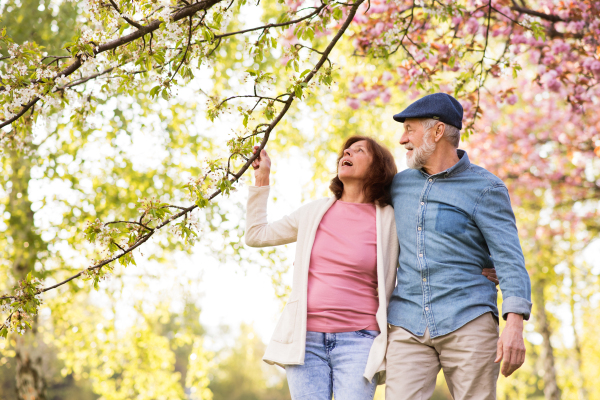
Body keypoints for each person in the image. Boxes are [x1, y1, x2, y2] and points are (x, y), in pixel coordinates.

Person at [244, 135, 499, 400]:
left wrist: (483, 265)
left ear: (377, 168)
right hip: (305, 341)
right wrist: (262, 179)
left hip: (360, 342)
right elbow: (256, 235)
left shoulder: (390, 217)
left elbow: (431, 246)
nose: (347, 152)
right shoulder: (313, 212)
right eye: (346, 150)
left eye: (359, 150)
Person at [385, 93, 532, 400]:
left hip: (468, 319)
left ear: (437, 131)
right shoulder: (399, 185)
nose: (402, 139)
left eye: (409, 129)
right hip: (407, 323)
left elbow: (509, 257)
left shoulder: (486, 188)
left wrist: (514, 324)